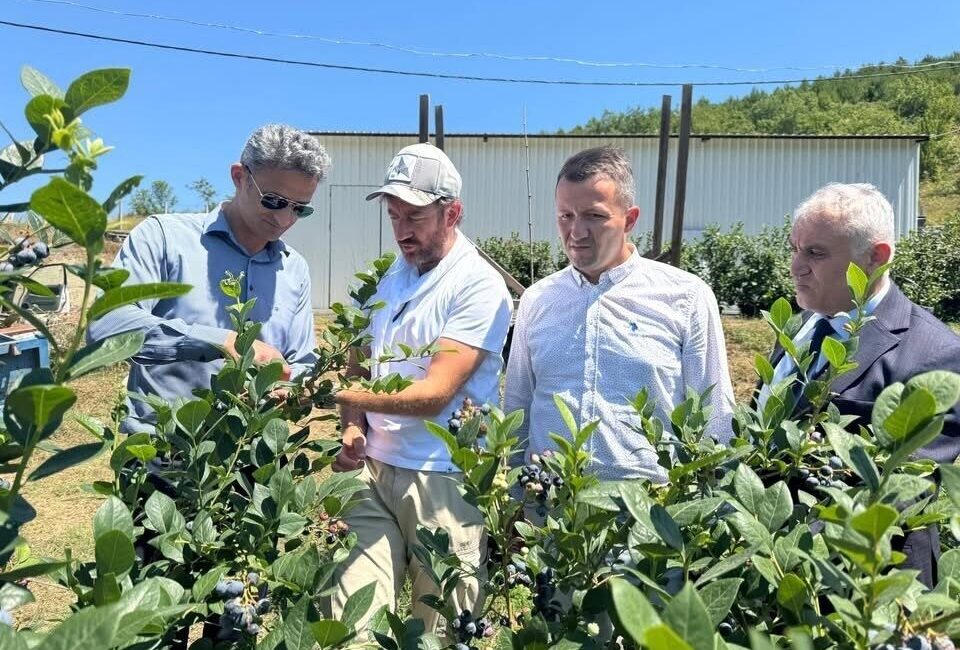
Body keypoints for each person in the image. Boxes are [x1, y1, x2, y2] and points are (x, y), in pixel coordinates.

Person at [327, 143, 512, 633]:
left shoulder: (477, 285)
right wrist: (351, 429)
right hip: (372, 472)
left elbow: (435, 395)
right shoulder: (390, 277)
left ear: (452, 212)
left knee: (441, 631)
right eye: (394, 215)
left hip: (442, 479)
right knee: (349, 622)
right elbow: (357, 366)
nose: (402, 230)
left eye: (415, 215)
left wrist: (334, 398)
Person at [504, 145, 735, 483]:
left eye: (594, 216)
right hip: (550, 511)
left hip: (649, 515)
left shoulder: (685, 296)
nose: (577, 232)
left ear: (630, 219)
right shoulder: (537, 301)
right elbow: (518, 407)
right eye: (565, 216)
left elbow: (715, 414)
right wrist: (511, 505)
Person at [773, 182, 960, 587]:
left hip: (864, 585)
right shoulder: (797, 326)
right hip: (776, 573)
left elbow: (902, 492)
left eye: (816, 253)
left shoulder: (934, 356)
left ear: (876, 258)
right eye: (795, 248)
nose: (795, 266)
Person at [88, 123, 328, 432]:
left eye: (299, 209)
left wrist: (292, 387)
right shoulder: (163, 238)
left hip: (251, 465)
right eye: (273, 200)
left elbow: (301, 363)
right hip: (160, 462)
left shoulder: (294, 269)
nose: (284, 219)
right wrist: (219, 341)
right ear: (239, 177)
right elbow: (106, 324)